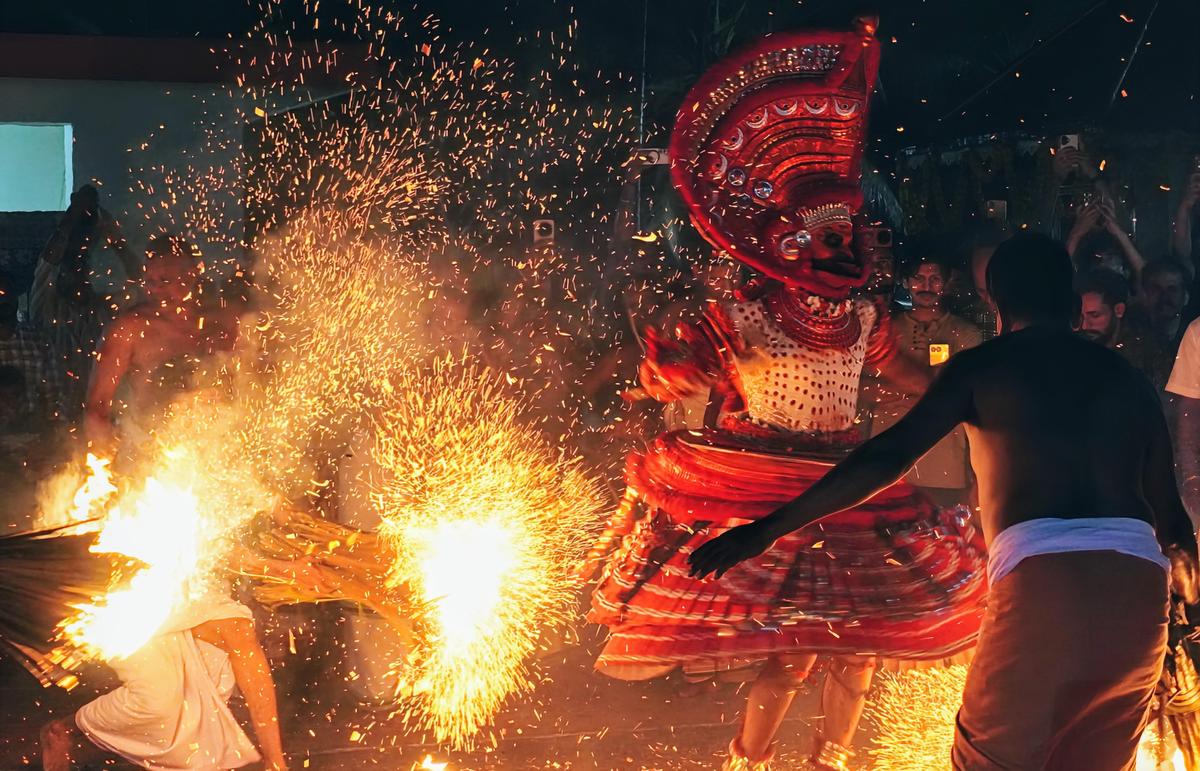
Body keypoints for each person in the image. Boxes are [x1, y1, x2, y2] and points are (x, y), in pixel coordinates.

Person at [588, 21, 987, 771]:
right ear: (791, 245)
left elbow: (907, 375)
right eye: (834, 240)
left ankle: (830, 761)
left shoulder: (863, 318)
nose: (850, 250)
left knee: (858, 653)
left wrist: (968, 391)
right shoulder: (744, 315)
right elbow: (676, 374)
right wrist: (670, 374)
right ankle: (751, 760)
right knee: (796, 654)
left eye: (851, 239)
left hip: (847, 487)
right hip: (767, 490)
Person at [691, 232, 1197, 771]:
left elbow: (886, 458)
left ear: (997, 308)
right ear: (1074, 307)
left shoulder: (983, 366)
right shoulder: (1129, 382)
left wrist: (767, 528)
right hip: (1138, 590)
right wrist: (1184, 627)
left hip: (1043, 578)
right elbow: (1175, 529)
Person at [84, 233, 237, 455]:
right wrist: (102, 459)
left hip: (220, 448)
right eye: (150, 281)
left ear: (191, 275)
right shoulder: (130, 329)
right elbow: (97, 406)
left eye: (165, 281)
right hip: (151, 453)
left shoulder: (224, 322)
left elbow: (250, 384)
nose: (155, 290)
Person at [868, 255, 981, 507]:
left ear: (947, 283)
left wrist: (897, 391)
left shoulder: (966, 334)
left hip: (943, 468)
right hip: (886, 467)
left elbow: (957, 396)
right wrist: (920, 392)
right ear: (906, 282)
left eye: (934, 278)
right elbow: (863, 389)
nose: (926, 286)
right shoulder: (885, 330)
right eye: (918, 278)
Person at [0, 273, 67, 426]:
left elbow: (56, 396)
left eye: (5, 302)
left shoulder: (37, 340)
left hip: (34, 431)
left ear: (15, 302)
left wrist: (54, 429)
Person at [1127, 258, 1191, 391]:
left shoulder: (1195, 338)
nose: (1164, 297)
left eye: (1172, 289)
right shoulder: (1128, 335)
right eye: (1156, 289)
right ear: (1144, 294)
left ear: (1185, 297)